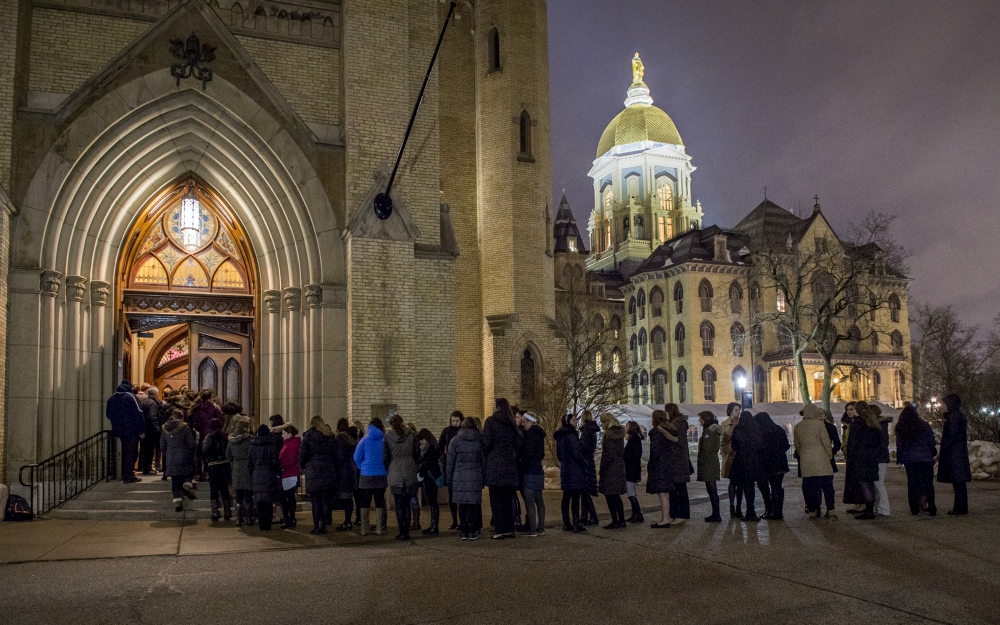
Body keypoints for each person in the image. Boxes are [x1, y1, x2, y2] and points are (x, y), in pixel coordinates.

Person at [483, 398, 522, 539]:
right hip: (509, 466)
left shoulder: (490, 422)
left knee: (496, 500)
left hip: (495, 465)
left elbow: (486, 443)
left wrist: (487, 454)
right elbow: (518, 442)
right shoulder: (511, 423)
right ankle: (509, 529)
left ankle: (499, 530)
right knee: (507, 499)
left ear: (497, 407)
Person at [794, 403, 836, 520]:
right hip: (821, 458)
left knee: (809, 487)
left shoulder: (798, 426)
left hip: (806, 460)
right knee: (827, 487)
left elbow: (797, 444)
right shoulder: (819, 424)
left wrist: (803, 454)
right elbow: (826, 442)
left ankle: (812, 511)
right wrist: (829, 455)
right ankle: (830, 510)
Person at [447, 417, 486, 540]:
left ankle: (463, 530)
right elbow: (483, 462)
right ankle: (472, 531)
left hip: (459, 477)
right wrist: (483, 479)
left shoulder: (455, 440)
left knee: (462, 505)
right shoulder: (479, 440)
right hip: (475, 476)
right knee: (473, 505)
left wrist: (449, 480)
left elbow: (450, 463)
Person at [894, 405, 937, 516]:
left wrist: (900, 457)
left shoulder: (901, 427)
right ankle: (932, 506)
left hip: (910, 460)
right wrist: (931, 453)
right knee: (928, 483)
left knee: (912, 483)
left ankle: (914, 508)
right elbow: (931, 441)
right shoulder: (924, 425)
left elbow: (900, 445)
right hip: (925, 458)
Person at [381, 414, 419, 541]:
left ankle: (402, 531)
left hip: (395, 470)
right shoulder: (411, 435)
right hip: (409, 470)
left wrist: (390, 469)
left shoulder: (388, 437)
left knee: (398, 504)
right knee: (407, 503)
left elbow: (385, 457)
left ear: (392, 425)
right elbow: (417, 453)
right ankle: (407, 531)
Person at [300, 416, 338, 534]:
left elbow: (302, 456)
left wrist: (304, 466)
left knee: (315, 501)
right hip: (328, 470)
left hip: (313, 470)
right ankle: (324, 526)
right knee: (326, 500)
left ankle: (316, 527)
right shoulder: (330, 437)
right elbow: (336, 455)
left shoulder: (308, 437)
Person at [105, 380, 146, 483]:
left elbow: (108, 414)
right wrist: (142, 429)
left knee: (123, 451)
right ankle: (129, 475)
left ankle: (123, 473)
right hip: (132, 430)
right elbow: (138, 414)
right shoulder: (130, 397)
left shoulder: (113, 397)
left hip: (118, 429)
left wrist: (116, 422)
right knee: (131, 452)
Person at [848, 402, 883, 520]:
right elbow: (879, 442)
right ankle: (869, 509)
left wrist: (851, 457)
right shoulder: (873, 424)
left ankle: (868, 511)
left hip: (860, 458)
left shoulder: (857, 425)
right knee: (870, 483)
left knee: (864, 484)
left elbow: (852, 444)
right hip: (871, 458)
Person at [353, 417, 388, 535]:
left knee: (365, 501)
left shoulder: (364, 440)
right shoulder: (384, 440)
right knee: (379, 501)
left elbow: (356, 457)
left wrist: (361, 467)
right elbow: (388, 456)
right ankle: (379, 528)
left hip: (366, 474)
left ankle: (364, 528)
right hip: (381, 473)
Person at [555, 412, 588, 533]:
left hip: (566, 469)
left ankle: (566, 522)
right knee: (575, 497)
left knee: (566, 497)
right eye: (574, 420)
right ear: (568, 421)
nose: (576, 422)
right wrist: (584, 464)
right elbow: (576, 453)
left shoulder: (561, 436)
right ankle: (576, 523)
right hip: (575, 469)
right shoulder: (572, 435)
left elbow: (559, 454)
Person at [938, 394, 971, 515]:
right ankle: (960, 507)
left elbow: (951, 435)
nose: (944, 406)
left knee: (958, 482)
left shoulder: (954, 417)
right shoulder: (957, 415)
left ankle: (960, 508)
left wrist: (945, 448)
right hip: (958, 452)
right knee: (959, 483)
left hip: (954, 453)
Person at [160, 410, 197, 512]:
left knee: (175, 481)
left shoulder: (164, 428)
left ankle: (177, 502)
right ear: (181, 417)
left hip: (171, 456)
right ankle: (187, 484)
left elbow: (162, 445)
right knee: (187, 473)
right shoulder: (185, 427)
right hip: (184, 455)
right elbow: (191, 443)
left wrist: (166, 453)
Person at [247, 424, 282, 531]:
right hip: (269, 475)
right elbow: (275, 462)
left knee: (259, 502)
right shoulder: (272, 445)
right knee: (268, 502)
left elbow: (249, 463)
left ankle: (261, 523)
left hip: (257, 475)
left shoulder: (253, 446)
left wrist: (252, 473)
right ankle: (267, 523)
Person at [730, 410, 763, 522]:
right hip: (753, 460)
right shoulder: (756, 429)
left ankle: (746, 510)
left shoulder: (738, 429)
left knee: (743, 485)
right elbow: (760, 445)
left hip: (741, 460)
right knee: (751, 486)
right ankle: (751, 510)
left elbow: (734, 446)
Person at [645, 409, 676, 528]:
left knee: (662, 494)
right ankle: (665, 518)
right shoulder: (668, 432)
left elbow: (655, 452)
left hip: (659, 466)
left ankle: (665, 519)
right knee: (664, 494)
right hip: (667, 465)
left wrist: (651, 465)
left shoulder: (657, 433)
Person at [758, 412, 790, 520]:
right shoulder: (779, 429)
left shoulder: (760, 431)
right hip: (780, 463)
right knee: (777, 487)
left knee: (765, 487)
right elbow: (786, 445)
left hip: (766, 464)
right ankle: (778, 511)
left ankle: (769, 509)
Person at [518, 412, 546, 536]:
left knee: (529, 501)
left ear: (530, 422)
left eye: (524, 422)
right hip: (538, 471)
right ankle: (541, 528)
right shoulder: (540, 435)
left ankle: (532, 529)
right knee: (539, 501)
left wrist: (521, 460)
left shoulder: (528, 436)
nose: (522, 424)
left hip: (529, 471)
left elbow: (526, 454)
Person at [663, 404, 691, 525]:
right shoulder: (675, 423)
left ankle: (681, 514)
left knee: (680, 489)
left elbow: (680, 442)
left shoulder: (678, 424)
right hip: (675, 461)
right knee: (674, 489)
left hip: (678, 461)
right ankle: (675, 514)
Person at [598, 414, 627, 529]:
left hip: (610, 470)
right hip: (618, 468)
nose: (601, 424)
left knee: (610, 496)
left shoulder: (609, 436)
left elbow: (608, 455)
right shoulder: (619, 434)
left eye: (602, 422)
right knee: (616, 496)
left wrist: (603, 469)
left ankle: (615, 520)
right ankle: (621, 519)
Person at [201, 418, 232, 521]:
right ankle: (227, 511)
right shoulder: (226, 436)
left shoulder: (209, 437)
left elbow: (205, 451)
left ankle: (215, 512)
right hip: (224, 464)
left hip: (213, 465)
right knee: (224, 489)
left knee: (213, 489)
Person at [226, 417, 254, 526]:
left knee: (238, 494)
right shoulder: (250, 440)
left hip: (236, 468)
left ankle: (238, 518)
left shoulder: (231, 440)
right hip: (247, 467)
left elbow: (228, 456)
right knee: (247, 494)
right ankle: (249, 518)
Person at [439, 410, 464, 530]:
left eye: (457, 421)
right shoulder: (446, 431)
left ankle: (462, 520)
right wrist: (443, 457)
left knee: (461, 496)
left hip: (460, 466)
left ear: (461, 421)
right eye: (453, 421)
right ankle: (455, 521)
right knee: (451, 495)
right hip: (449, 466)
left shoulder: (462, 432)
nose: (454, 423)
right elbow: (440, 446)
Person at [333, 418, 359, 531]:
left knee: (346, 498)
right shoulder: (352, 439)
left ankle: (347, 522)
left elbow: (339, 456)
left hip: (343, 471)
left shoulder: (339, 439)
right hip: (351, 469)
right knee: (349, 497)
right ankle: (348, 520)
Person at [697, 411, 722, 522]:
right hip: (712, 462)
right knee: (712, 489)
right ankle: (715, 513)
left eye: (701, 418)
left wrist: (701, 460)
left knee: (712, 489)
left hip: (709, 463)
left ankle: (716, 514)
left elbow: (706, 449)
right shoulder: (712, 430)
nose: (699, 420)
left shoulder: (709, 432)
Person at [416, 429, 442, 535]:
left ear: (426, 439)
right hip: (431, 478)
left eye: (422, 439)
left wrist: (422, 459)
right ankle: (433, 525)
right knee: (432, 502)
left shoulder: (429, 449)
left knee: (433, 502)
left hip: (430, 479)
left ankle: (434, 526)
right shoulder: (432, 447)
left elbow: (427, 465)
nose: (420, 442)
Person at [578, 411, 601, 526]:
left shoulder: (587, 430)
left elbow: (585, 447)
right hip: (589, 460)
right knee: (585, 491)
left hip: (586, 461)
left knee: (585, 491)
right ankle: (585, 516)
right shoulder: (591, 430)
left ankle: (591, 516)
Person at [720, 402, 742, 518]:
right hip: (730, 457)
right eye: (736, 410)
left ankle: (738, 506)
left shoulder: (742, 423)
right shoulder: (724, 424)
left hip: (741, 456)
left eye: (739, 410)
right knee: (732, 482)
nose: (738, 412)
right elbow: (722, 441)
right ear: (730, 411)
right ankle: (732, 506)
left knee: (741, 483)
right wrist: (725, 453)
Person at [841, 402, 864, 513]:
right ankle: (857, 502)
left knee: (858, 480)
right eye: (847, 409)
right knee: (852, 481)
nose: (849, 411)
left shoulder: (857, 424)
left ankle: (861, 503)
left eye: (851, 409)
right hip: (849, 454)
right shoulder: (847, 423)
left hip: (856, 455)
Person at [277, 424, 301, 528]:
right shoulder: (289, 443)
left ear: (289, 434)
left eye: (283, 433)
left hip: (289, 474)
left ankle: (289, 519)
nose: (282, 435)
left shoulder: (291, 444)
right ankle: (290, 518)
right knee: (288, 497)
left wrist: (282, 467)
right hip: (289, 473)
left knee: (287, 497)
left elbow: (290, 459)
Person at [871, 404, 892, 517]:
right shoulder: (881, 425)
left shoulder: (879, 426)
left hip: (879, 457)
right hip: (880, 457)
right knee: (877, 483)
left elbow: (883, 443)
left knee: (878, 483)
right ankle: (880, 508)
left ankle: (884, 509)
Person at [624, 421, 645, 523]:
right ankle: (635, 513)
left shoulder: (634, 440)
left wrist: (624, 456)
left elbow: (633, 455)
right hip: (632, 469)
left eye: (627, 425)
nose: (625, 427)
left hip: (631, 469)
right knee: (631, 492)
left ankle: (638, 514)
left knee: (630, 492)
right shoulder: (634, 439)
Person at [138, 386, 161, 475]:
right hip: (151, 430)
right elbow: (152, 417)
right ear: (155, 394)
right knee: (150, 450)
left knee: (145, 449)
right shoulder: (153, 403)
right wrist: (157, 429)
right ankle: (148, 468)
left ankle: (145, 467)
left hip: (145, 429)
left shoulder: (144, 402)